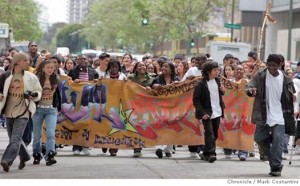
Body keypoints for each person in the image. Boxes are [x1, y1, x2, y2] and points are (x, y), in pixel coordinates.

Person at [246, 54, 295, 177]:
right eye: (269, 65)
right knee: (258, 138)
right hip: (264, 114)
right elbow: (250, 85)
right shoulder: (261, 75)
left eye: (274, 65)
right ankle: (274, 159)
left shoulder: (286, 79)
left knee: (278, 140)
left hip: (280, 116)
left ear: (280, 65)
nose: (271, 68)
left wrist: (292, 96)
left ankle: (276, 167)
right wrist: (251, 91)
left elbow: (292, 94)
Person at [0, 53, 42, 172]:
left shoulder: (31, 77)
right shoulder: (5, 76)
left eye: (28, 60)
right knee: (13, 138)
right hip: (8, 110)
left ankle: (6, 160)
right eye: (25, 60)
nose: (28, 62)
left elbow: (38, 91)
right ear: (17, 62)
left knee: (15, 138)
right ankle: (25, 156)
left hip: (24, 110)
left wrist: (35, 95)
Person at [193, 62, 225, 163]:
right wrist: (202, 113)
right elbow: (196, 100)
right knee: (209, 132)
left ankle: (206, 152)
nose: (217, 72)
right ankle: (211, 153)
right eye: (215, 70)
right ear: (208, 72)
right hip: (207, 112)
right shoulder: (200, 84)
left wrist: (223, 91)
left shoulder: (218, 81)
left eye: (218, 70)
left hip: (217, 111)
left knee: (215, 134)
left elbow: (219, 94)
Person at [68, 54, 99, 156]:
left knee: (87, 125)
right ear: (77, 61)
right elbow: (68, 84)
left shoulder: (93, 72)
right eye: (81, 59)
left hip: (89, 102)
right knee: (77, 124)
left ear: (88, 61)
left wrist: (96, 82)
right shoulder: (73, 72)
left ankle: (86, 146)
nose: (83, 61)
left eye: (85, 59)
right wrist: (73, 82)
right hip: (76, 102)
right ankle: (76, 147)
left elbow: (99, 85)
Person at [32, 60, 61, 166]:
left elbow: (58, 94)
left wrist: (58, 106)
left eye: (52, 68)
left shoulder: (56, 79)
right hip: (38, 109)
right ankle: (36, 154)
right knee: (37, 134)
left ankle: (50, 155)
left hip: (51, 110)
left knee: (50, 133)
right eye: (47, 67)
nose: (50, 70)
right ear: (43, 69)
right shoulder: (37, 78)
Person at [151, 60, 180, 158]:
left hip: (173, 106)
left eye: (166, 67)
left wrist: (177, 84)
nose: (163, 68)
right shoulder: (159, 78)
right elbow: (152, 86)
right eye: (162, 66)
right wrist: (156, 86)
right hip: (161, 106)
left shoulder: (176, 78)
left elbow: (182, 88)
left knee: (170, 127)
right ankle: (159, 148)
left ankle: (168, 149)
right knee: (161, 126)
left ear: (171, 70)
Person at [127, 61, 154, 157]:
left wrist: (150, 89)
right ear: (136, 68)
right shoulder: (130, 78)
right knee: (135, 127)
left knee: (144, 127)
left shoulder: (151, 79)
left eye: (143, 65)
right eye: (139, 65)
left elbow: (155, 91)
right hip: (133, 105)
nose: (142, 67)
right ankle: (137, 149)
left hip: (146, 106)